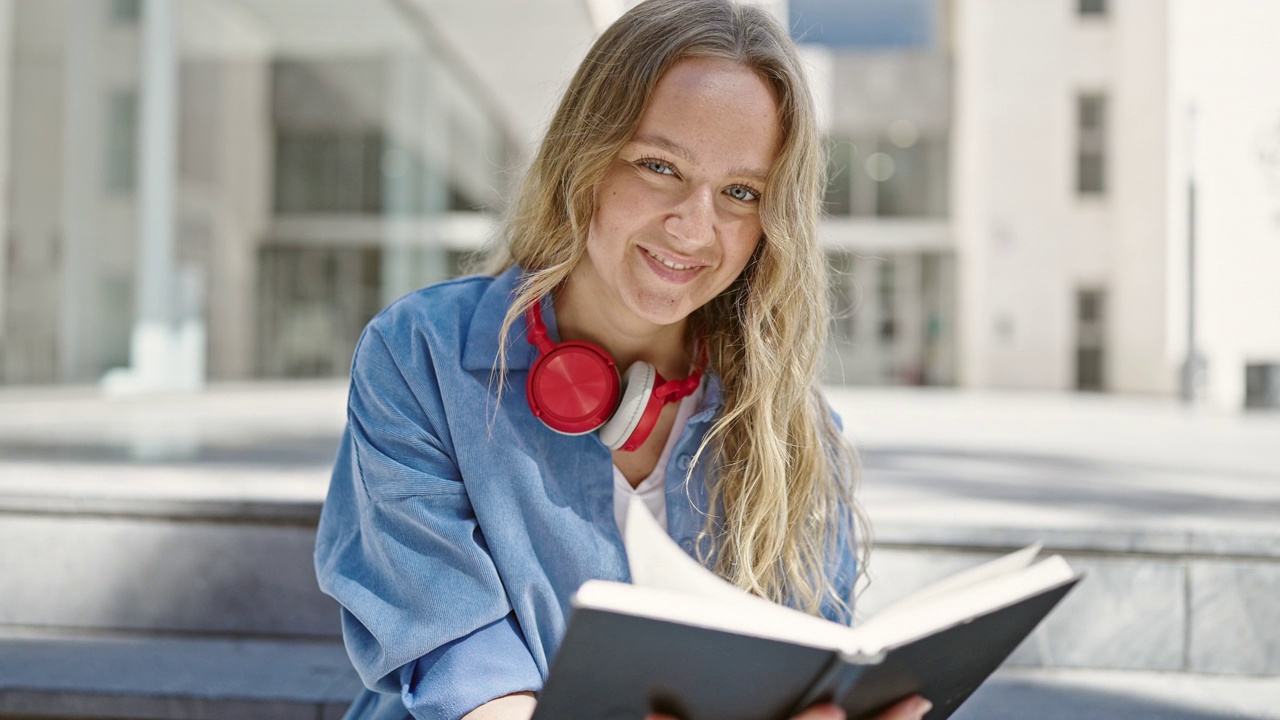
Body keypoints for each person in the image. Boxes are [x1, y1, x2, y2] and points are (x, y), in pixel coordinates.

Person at [315, 1, 931, 719]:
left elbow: (808, 667)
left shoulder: (791, 423)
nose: (695, 227)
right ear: (587, 159)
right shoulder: (423, 357)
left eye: (741, 192)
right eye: (659, 167)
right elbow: (459, 665)